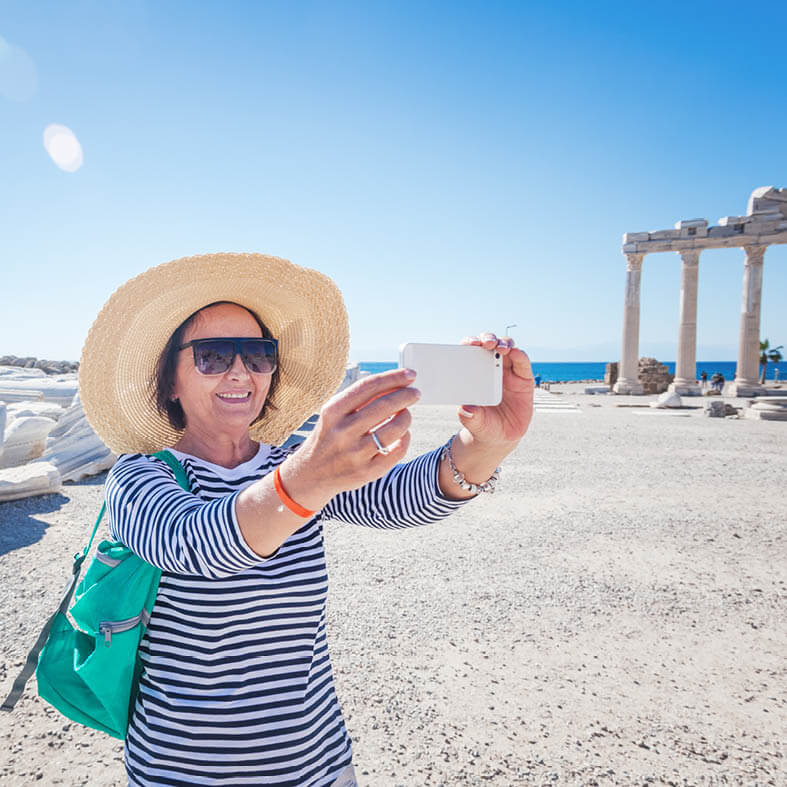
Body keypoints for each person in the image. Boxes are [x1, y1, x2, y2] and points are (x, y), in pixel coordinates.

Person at [78, 252, 534, 787]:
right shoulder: (139, 476)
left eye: (257, 354)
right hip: (186, 772)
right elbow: (194, 545)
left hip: (316, 761)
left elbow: (393, 498)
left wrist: (485, 447)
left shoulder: (288, 462)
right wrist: (307, 478)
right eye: (213, 355)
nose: (240, 371)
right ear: (171, 381)